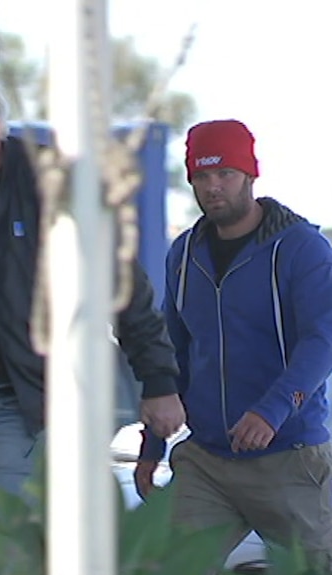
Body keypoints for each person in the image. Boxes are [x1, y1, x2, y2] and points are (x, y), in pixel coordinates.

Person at [0, 69, 184, 573]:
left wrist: (158, 381)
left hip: (15, 408)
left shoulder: (53, 187)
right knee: (13, 550)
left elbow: (122, 285)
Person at [136, 119, 332, 572]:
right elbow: (173, 352)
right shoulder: (184, 253)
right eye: (201, 177)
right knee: (156, 564)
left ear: (250, 175)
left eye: (224, 173)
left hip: (289, 458)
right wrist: (151, 444)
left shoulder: (302, 248)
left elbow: (323, 340)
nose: (213, 187)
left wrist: (273, 409)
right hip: (207, 460)